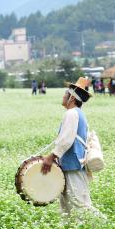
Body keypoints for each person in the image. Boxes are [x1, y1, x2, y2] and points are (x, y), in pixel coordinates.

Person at [41, 77, 102, 218]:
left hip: (73, 166)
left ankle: (107, 226)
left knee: (81, 205)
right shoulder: (78, 114)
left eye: (65, 94)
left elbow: (66, 140)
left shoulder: (71, 113)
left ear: (72, 98)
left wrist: (51, 157)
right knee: (66, 206)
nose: (63, 96)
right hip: (70, 166)